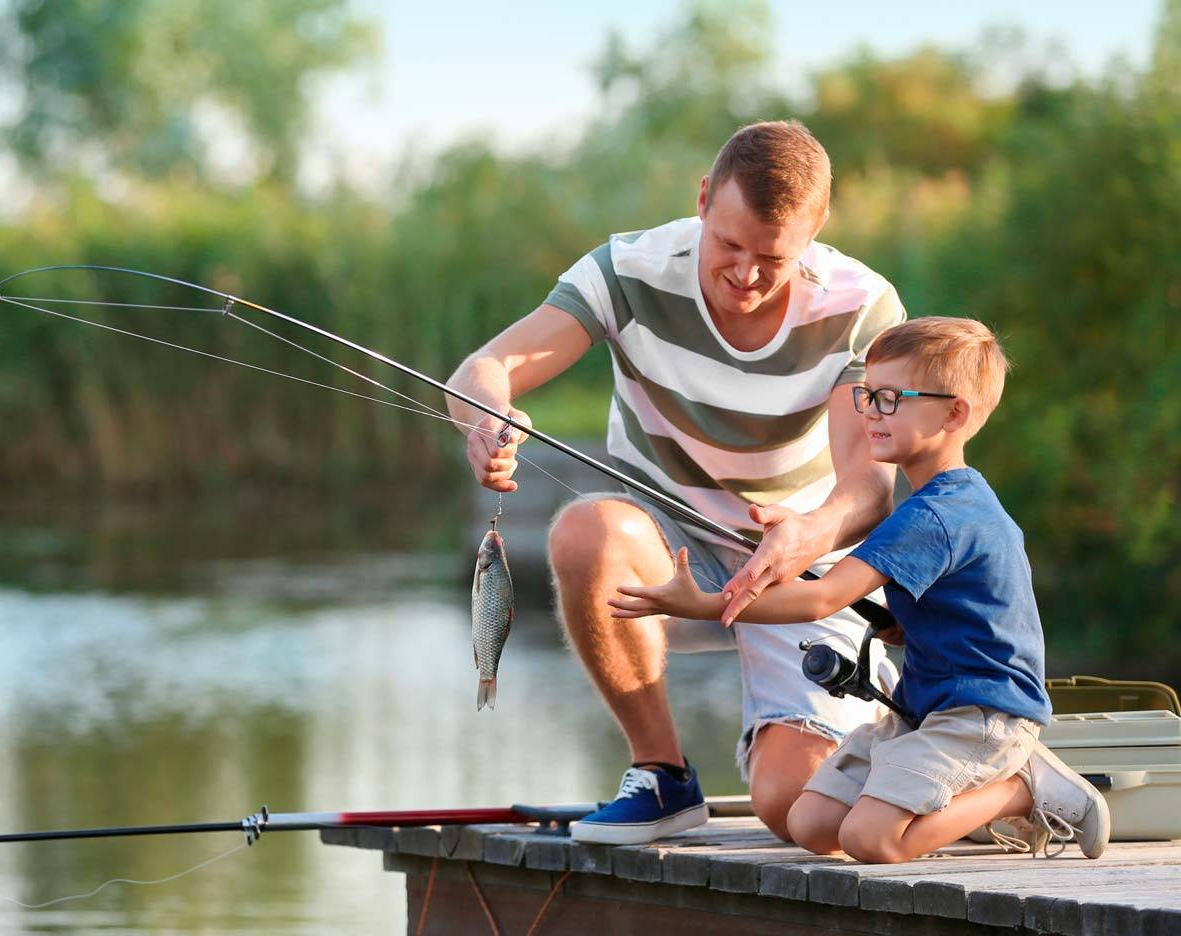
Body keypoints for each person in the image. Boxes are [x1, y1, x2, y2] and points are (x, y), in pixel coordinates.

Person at [447, 120, 907, 844]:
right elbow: (487, 366)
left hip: (798, 564)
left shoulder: (860, 306)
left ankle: (914, 758)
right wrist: (484, 416)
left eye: (772, 258)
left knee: (797, 812)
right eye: (729, 245)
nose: (746, 274)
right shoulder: (628, 270)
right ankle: (661, 775)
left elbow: (869, 488)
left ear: (815, 230)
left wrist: (806, 534)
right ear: (702, 200)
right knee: (586, 530)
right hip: (661, 548)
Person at [611, 317, 1110, 861]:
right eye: (868, 396)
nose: (871, 411)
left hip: (983, 714)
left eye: (892, 398)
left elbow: (823, 598)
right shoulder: (940, 504)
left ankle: (1023, 788)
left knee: (870, 841)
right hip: (924, 709)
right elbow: (963, 607)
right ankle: (983, 787)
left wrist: (705, 604)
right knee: (811, 823)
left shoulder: (937, 514)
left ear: (955, 413)